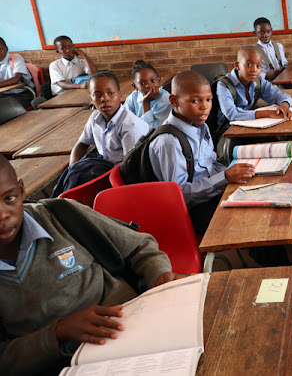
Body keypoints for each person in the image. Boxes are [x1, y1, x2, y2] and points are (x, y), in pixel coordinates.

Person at [0, 156, 180, 374]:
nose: (2, 214)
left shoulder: (60, 215)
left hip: (131, 326)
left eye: (9, 198)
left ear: (21, 190)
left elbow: (139, 247)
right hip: (62, 365)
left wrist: (159, 275)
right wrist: (58, 332)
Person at [149, 71, 255, 234]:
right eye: (195, 100)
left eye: (208, 99)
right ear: (174, 100)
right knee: (248, 219)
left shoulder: (200, 125)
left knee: (257, 196)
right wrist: (224, 178)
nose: (205, 106)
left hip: (211, 193)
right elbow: (179, 196)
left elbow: (211, 162)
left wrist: (231, 173)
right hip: (191, 212)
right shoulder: (169, 141)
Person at [71, 71, 149, 166]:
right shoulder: (95, 117)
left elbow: (131, 166)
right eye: (98, 95)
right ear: (91, 99)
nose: (105, 99)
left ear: (119, 94)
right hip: (105, 166)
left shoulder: (130, 125)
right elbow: (81, 145)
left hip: (125, 172)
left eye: (111, 93)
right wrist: (72, 168)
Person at [216, 46, 292, 134]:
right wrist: (267, 113)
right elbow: (231, 114)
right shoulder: (224, 85)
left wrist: (284, 106)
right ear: (237, 66)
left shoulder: (258, 81)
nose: (254, 70)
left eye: (258, 66)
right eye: (248, 64)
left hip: (251, 126)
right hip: (228, 131)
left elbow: (281, 96)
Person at [124, 59, 172, 130]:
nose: (148, 85)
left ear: (158, 80)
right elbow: (125, 122)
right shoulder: (133, 97)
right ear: (135, 86)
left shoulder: (165, 100)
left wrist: (146, 103)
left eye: (152, 81)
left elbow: (150, 131)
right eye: (142, 83)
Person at [0, 37, 35, 108]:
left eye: (0, 49)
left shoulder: (16, 58)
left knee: (5, 109)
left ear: (6, 48)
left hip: (23, 94)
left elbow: (16, 79)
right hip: (4, 95)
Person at [254, 17, 288, 81]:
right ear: (255, 33)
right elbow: (250, 72)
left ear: (271, 30)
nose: (266, 35)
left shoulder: (279, 46)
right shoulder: (253, 51)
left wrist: (283, 68)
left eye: (268, 31)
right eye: (261, 32)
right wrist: (265, 75)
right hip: (267, 82)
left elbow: (285, 64)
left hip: (283, 78)